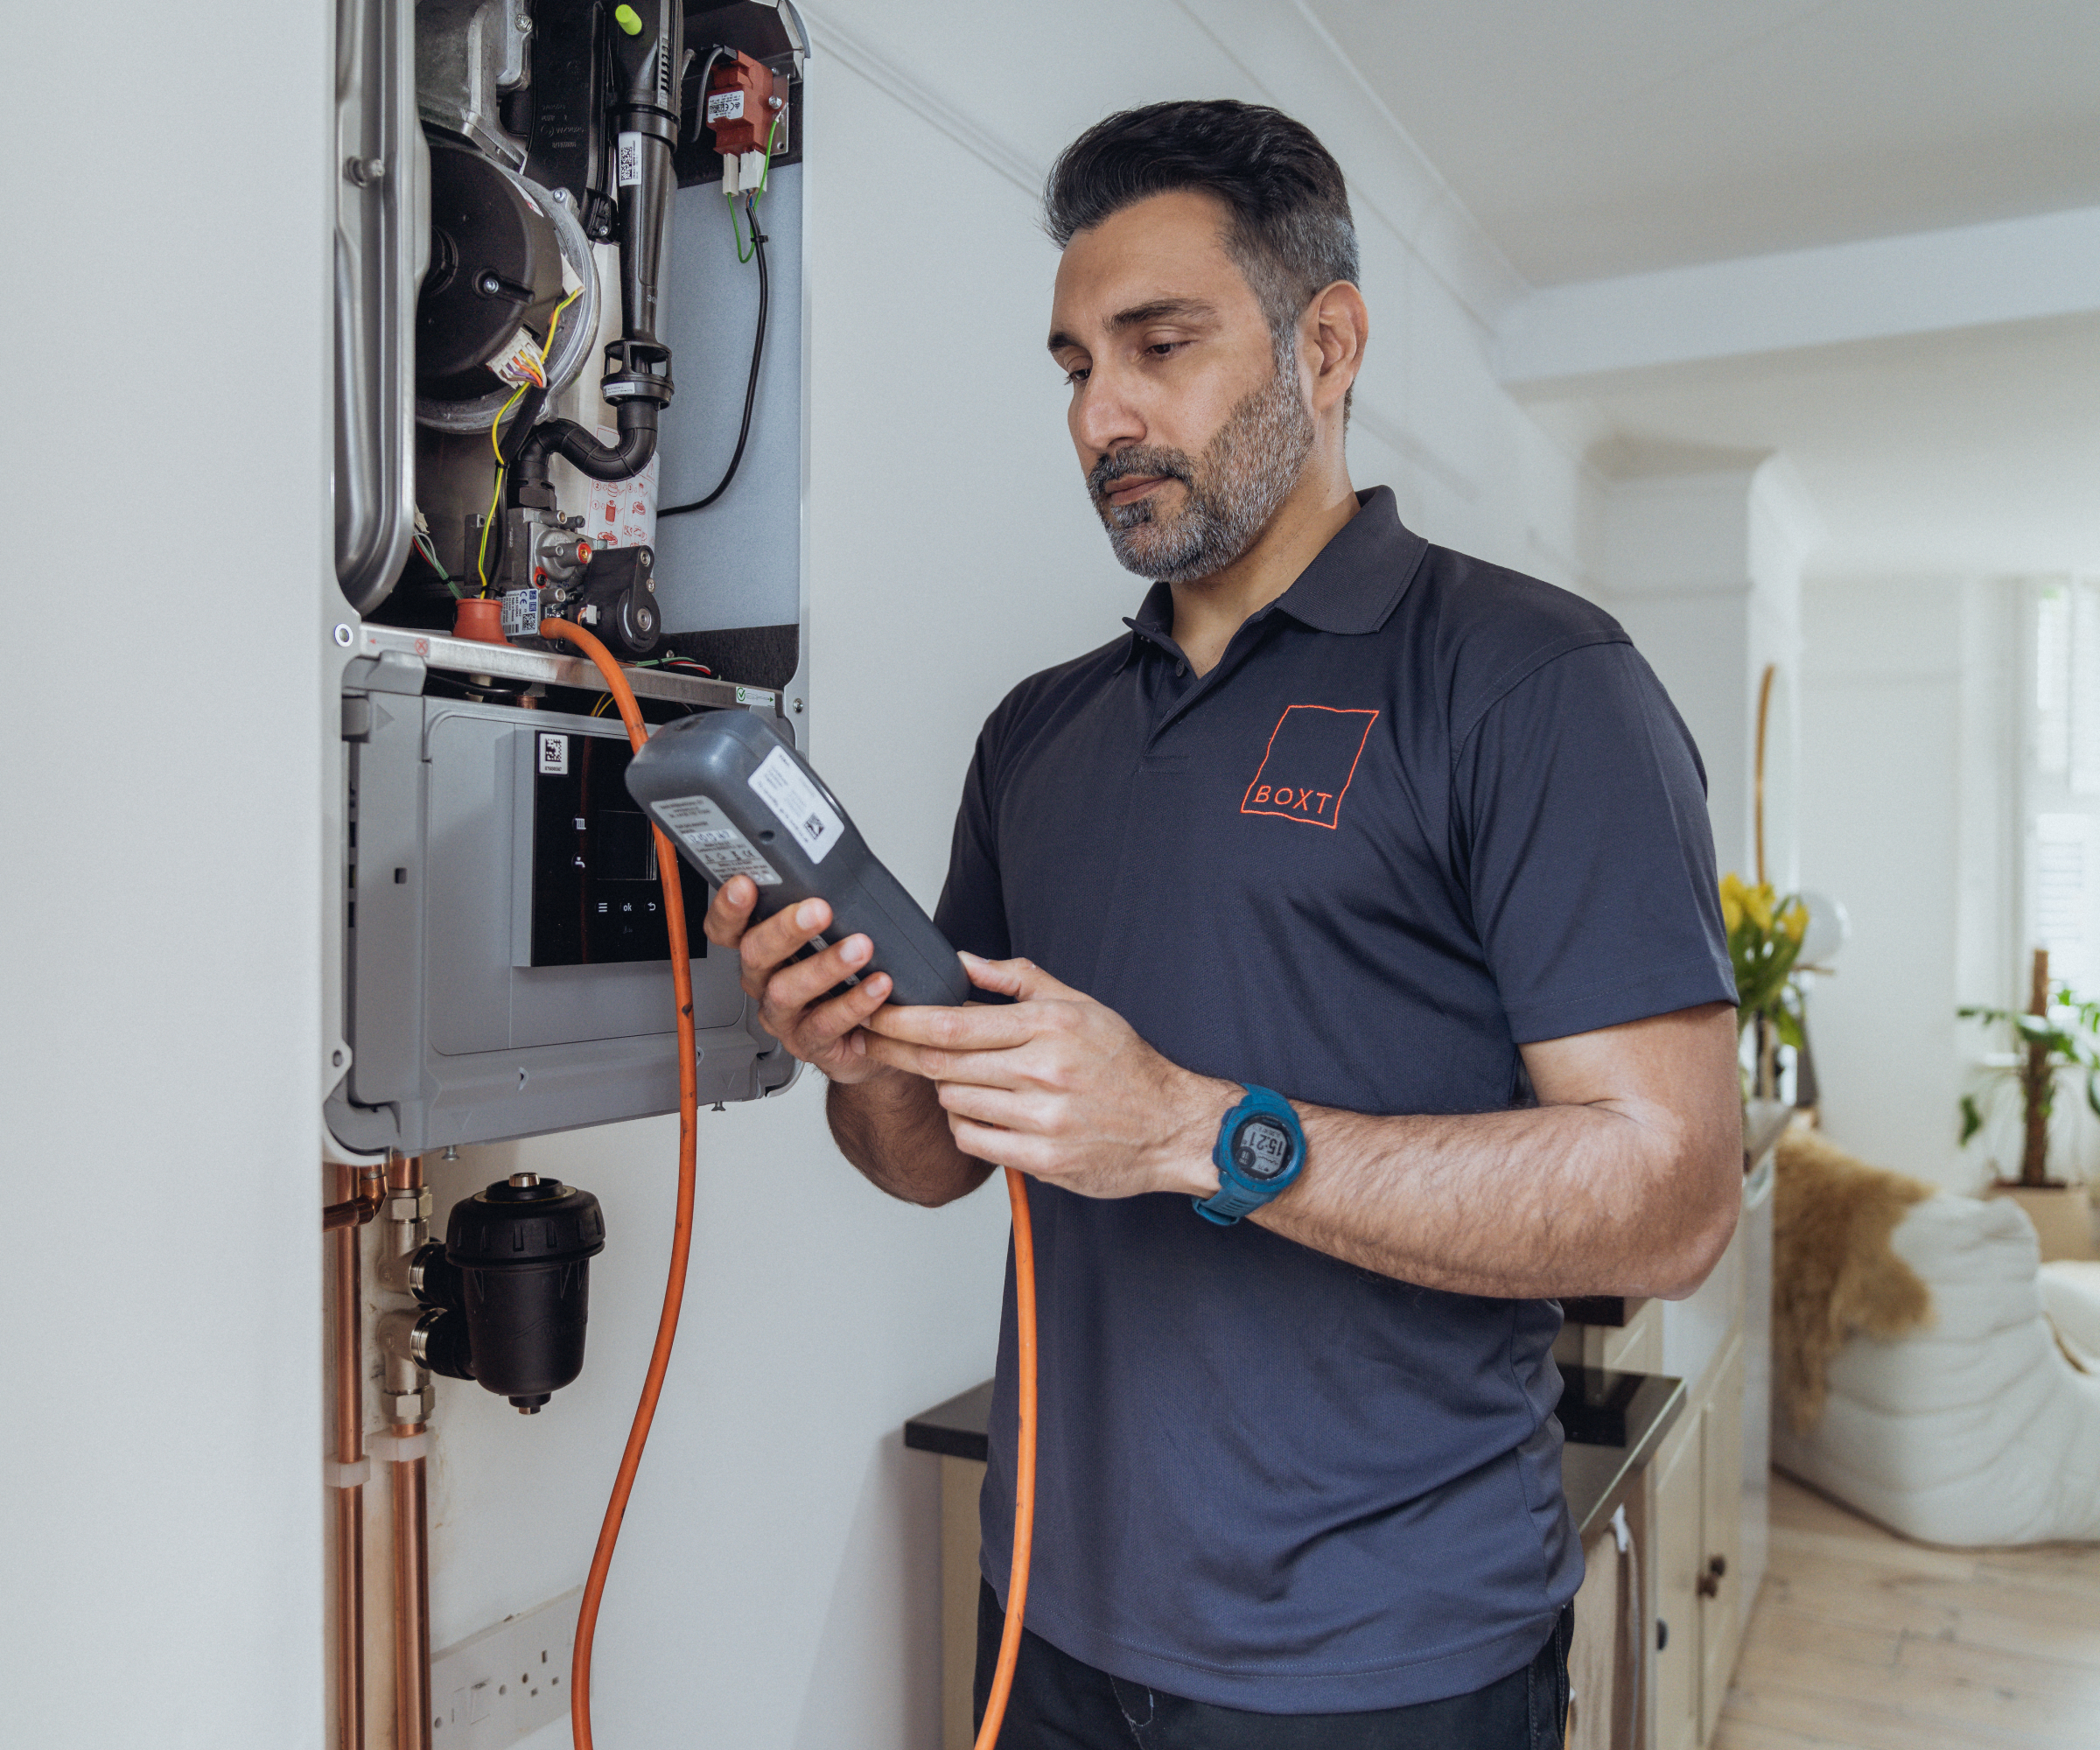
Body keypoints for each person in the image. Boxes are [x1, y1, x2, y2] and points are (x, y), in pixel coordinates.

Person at [705, 100, 1742, 1749]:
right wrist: (854, 1057)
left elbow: (1673, 1194)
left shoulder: (1535, 684)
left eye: (1158, 344)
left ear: (1327, 345)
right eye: (1071, 365)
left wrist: (1201, 1135)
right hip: (1048, 1618)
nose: (1099, 413)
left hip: (1385, 1661)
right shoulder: (1038, 735)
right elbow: (932, 1157)